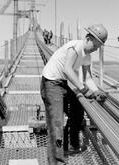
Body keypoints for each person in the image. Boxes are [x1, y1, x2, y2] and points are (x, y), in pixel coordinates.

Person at [40, 24, 108, 164]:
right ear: (88, 39)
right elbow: (67, 70)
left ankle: (71, 144)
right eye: (95, 46)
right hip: (51, 83)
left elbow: (88, 77)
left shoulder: (87, 55)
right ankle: (56, 161)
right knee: (56, 124)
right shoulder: (76, 46)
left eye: (98, 47)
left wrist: (95, 92)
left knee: (78, 109)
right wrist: (83, 90)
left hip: (62, 84)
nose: (95, 49)